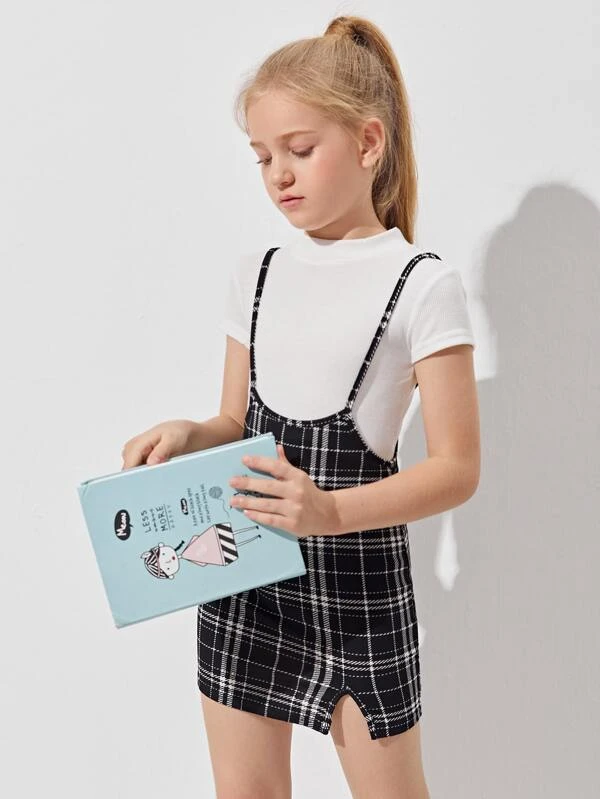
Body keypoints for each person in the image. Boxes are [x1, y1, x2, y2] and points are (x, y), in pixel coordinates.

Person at [121, 14, 480, 799]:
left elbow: (457, 468)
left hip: (359, 591)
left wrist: (331, 512)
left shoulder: (421, 284)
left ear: (369, 142)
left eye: (299, 149)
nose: (278, 174)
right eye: (262, 156)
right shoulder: (256, 274)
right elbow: (235, 424)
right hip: (244, 575)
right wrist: (190, 433)